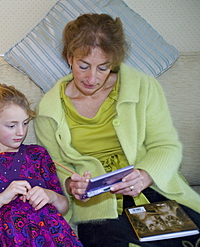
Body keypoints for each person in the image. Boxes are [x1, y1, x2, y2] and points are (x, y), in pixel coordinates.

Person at [34, 13, 200, 246]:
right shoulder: (49, 111)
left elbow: (166, 146)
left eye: (103, 68)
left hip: (153, 189)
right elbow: (59, 168)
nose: (92, 78)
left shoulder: (142, 87)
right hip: (98, 207)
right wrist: (73, 186)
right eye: (83, 66)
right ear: (70, 58)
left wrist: (145, 175)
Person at [0, 77, 83, 247]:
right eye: (11, 126)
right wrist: (2, 198)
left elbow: (64, 207)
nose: (20, 132)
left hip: (53, 236)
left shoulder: (37, 154)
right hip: (7, 238)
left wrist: (50, 196)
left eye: (25, 124)